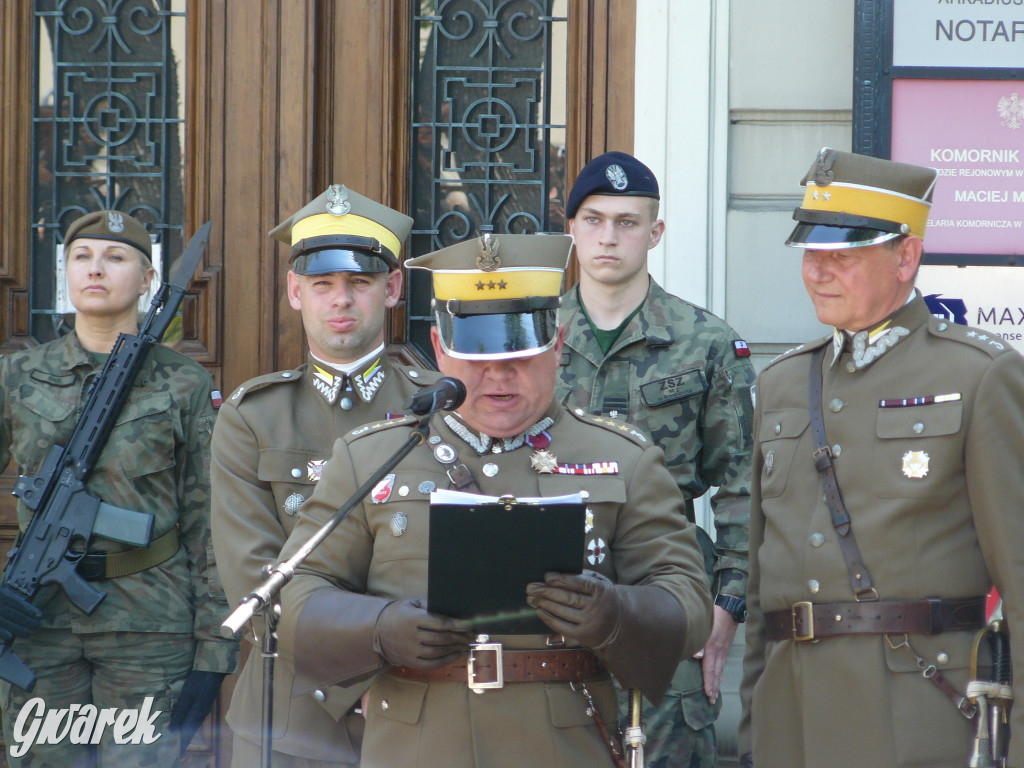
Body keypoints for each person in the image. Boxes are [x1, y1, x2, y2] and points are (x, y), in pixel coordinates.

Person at [273, 232, 713, 768]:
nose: (499, 374)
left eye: (521, 355)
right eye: (476, 355)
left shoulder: (624, 456)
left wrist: (616, 613)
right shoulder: (373, 456)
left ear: (558, 345)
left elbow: (688, 602)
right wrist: (380, 628)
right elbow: (294, 597)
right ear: (439, 348)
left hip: (561, 745)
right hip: (415, 744)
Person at [738, 148, 1024, 767]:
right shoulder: (784, 382)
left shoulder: (979, 374)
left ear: (906, 257)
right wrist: (755, 728)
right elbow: (764, 583)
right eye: (812, 254)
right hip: (792, 718)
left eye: (842, 256)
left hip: (921, 712)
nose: (818, 272)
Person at [210, 185, 439, 768]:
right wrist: (357, 679)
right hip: (289, 719)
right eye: (322, 284)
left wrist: (396, 670)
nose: (341, 300)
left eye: (360, 283)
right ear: (294, 292)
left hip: (422, 703)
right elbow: (255, 585)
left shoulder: (440, 408)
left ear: (390, 290)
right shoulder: (253, 417)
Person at [0, 210, 238, 766]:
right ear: (65, 273)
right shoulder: (16, 376)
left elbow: (210, 521)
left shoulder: (183, 381)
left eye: (116, 256)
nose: (96, 269)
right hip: (38, 621)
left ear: (149, 279)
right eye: (81, 257)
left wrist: (215, 645)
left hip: (149, 626)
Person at [559, 151, 754, 767]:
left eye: (627, 221)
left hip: (670, 591)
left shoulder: (708, 343)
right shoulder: (535, 338)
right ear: (571, 228)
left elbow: (742, 484)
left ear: (656, 232)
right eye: (593, 220)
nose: (608, 237)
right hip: (553, 590)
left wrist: (727, 607)